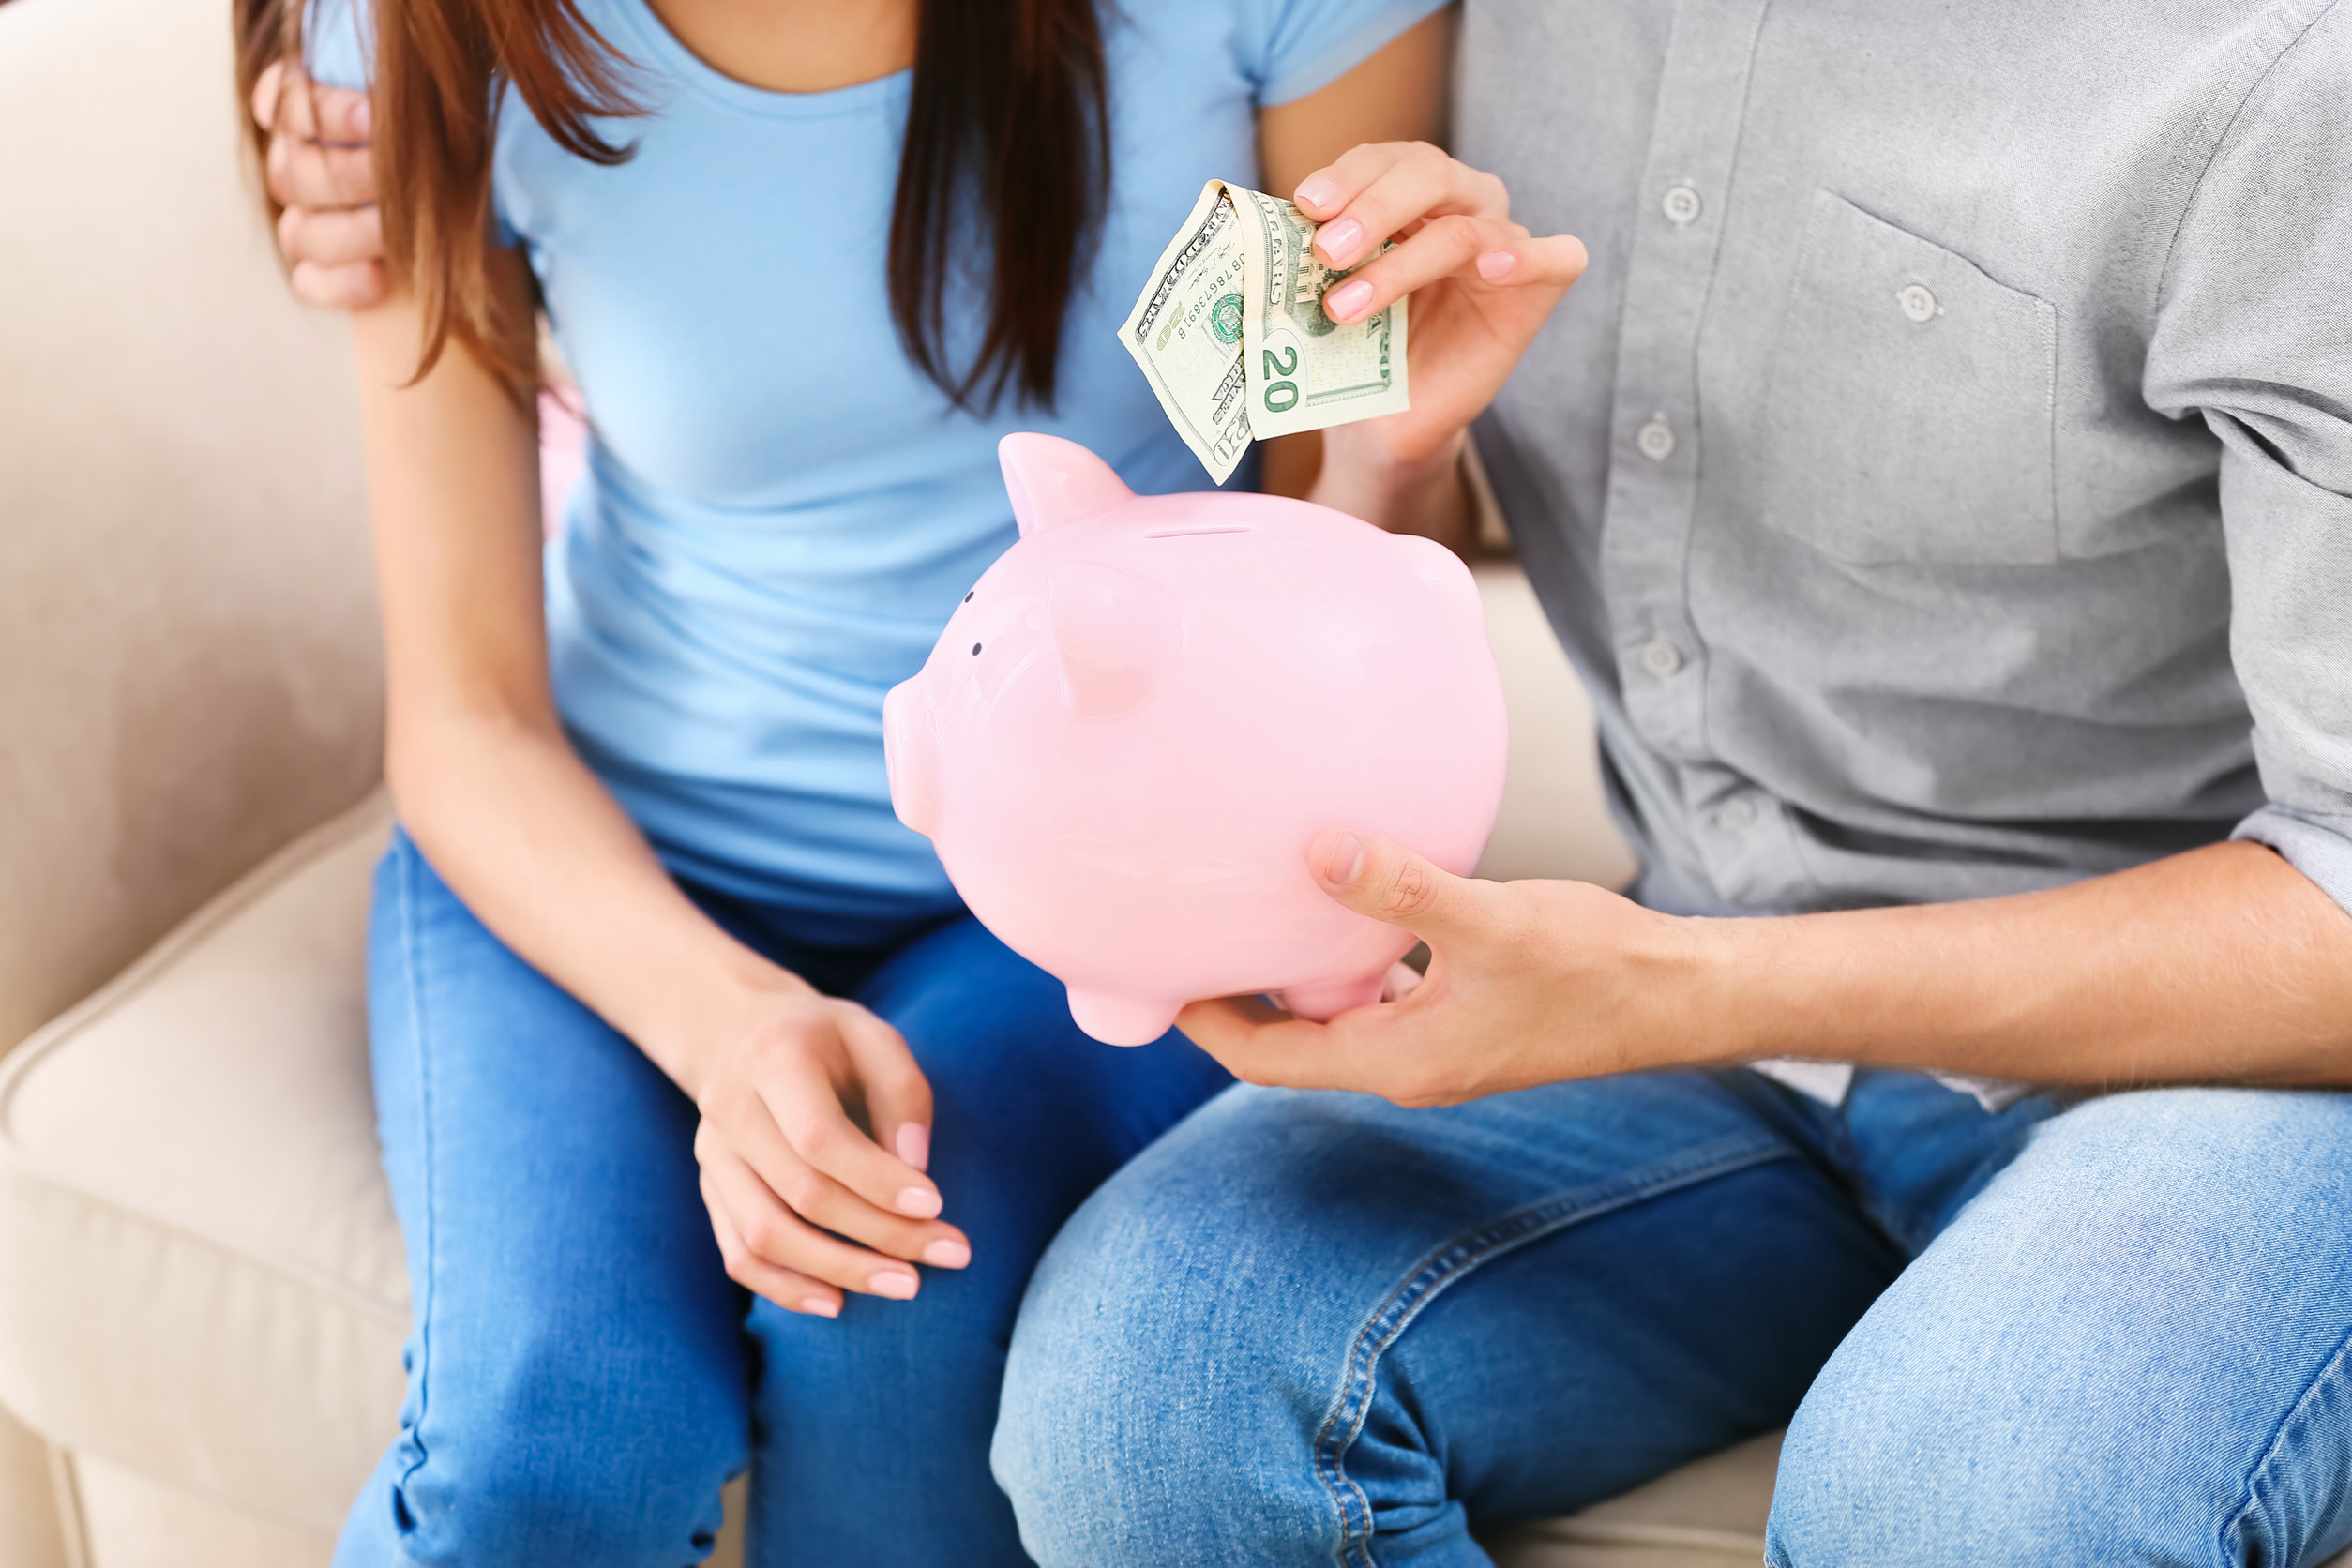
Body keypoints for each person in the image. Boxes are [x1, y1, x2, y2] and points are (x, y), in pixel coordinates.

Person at [978, 3, 2352, 1566]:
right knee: (1148, 1396)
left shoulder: (2295, 75)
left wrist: (1677, 988)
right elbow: (1393, 613)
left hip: (2219, 1056)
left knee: (1959, 1514)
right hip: (1709, 988)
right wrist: (1389, 459)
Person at [237, 0, 1585, 1562]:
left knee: (888, 1316)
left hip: (1104, 898)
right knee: (548, 1441)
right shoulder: (418, 37)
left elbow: (1313, 555)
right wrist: (729, 1022)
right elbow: (466, 716)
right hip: (602, 847)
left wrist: (1387, 453)